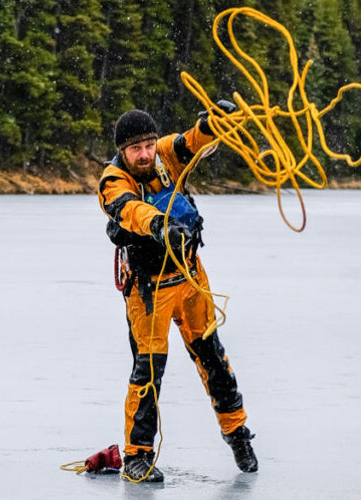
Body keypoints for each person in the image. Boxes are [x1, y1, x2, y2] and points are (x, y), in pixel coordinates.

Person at [97, 106, 258, 483]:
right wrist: (159, 225)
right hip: (148, 289)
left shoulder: (166, 154)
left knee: (214, 359)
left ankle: (237, 433)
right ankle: (138, 455)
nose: (145, 154)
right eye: (136, 148)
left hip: (189, 278)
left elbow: (193, 140)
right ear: (122, 150)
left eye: (149, 145)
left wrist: (213, 122)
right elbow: (129, 210)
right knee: (148, 373)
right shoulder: (112, 180)